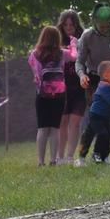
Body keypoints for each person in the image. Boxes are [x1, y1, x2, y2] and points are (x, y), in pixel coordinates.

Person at [75, 3, 110, 166]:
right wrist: (81, 75)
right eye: (102, 26)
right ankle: (81, 155)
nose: (105, 29)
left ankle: (104, 154)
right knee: (95, 118)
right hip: (93, 79)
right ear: (94, 22)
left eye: (108, 26)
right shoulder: (87, 36)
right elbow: (79, 62)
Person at [28, 26, 77, 166]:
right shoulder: (62, 53)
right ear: (57, 38)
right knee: (55, 129)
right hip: (60, 94)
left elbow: (35, 74)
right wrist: (73, 44)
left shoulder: (34, 54)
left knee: (42, 129)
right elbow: (75, 57)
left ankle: (40, 161)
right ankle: (53, 160)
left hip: (42, 95)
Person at [56, 10, 85, 163]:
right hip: (61, 86)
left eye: (71, 25)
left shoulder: (83, 39)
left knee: (75, 121)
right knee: (62, 121)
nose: (68, 27)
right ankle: (59, 156)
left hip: (79, 86)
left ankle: (69, 156)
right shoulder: (56, 40)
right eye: (66, 25)